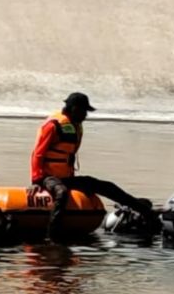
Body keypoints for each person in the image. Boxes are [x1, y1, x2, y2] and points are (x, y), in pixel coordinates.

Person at [30, 92, 159, 236]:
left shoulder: (75, 125)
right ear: (73, 108)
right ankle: (53, 234)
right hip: (48, 177)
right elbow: (37, 154)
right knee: (62, 192)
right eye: (84, 111)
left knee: (106, 186)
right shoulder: (53, 125)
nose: (86, 115)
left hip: (67, 178)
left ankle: (146, 212)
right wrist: (36, 180)